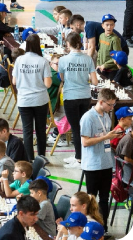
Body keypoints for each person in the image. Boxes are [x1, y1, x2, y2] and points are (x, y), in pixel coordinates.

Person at [80, 88, 120, 229]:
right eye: (110, 105)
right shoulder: (88, 118)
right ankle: (90, 227)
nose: (111, 108)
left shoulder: (106, 116)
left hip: (106, 163)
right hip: (92, 164)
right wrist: (106, 137)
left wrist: (114, 137)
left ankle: (103, 228)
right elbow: (85, 142)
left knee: (105, 198)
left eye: (113, 105)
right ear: (101, 102)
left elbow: (106, 137)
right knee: (92, 199)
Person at [58, 32, 98, 169]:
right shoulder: (88, 59)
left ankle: (79, 159)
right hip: (85, 96)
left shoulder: (63, 60)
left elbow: (62, 79)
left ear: (68, 44)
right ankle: (79, 155)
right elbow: (95, 81)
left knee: (76, 128)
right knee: (83, 127)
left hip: (71, 96)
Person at [13, 33, 52, 161]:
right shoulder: (43, 61)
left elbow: (14, 81)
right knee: (41, 130)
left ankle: (29, 159)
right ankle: (41, 158)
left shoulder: (19, 60)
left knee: (27, 131)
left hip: (24, 100)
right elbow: (48, 84)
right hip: (40, 100)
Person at [95, 14, 121, 80]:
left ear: (114, 26)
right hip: (101, 68)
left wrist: (105, 65)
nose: (109, 27)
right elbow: (100, 51)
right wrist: (98, 64)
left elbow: (117, 57)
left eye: (111, 25)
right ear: (102, 25)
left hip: (111, 70)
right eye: (107, 25)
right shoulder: (101, 36)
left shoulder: (115, 39)